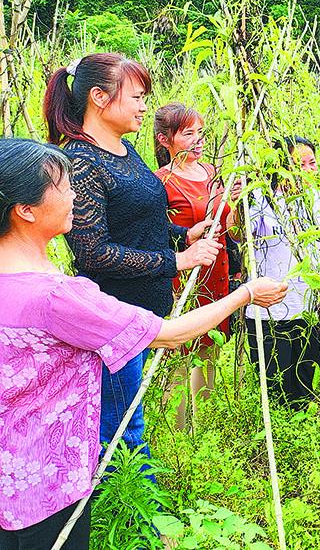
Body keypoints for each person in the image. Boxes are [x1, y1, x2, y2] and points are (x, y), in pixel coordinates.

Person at [0, 138, 287, 548]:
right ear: (26, 210)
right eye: (63, 188)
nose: (75, 195)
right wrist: (245, 294)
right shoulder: (58, 297)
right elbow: (170, 335)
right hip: (45, 485)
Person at [42, 53, 222, 462]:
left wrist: (182, 235)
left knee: (125, 416)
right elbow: (93, 252)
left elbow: (141, 222)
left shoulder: (125, 150)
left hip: (141, 312)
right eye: (137, 96)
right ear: (100, 97)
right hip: (110, 318)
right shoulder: (82, 162)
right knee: (122, 428)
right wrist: (175, 261)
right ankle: (138, 521)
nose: (144, 106)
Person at [245, 137, 320, 407]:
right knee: (273, 390)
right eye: (298, 164)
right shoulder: (260, 201)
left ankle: (302, 435)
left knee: (305, 386)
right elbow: (236, 236)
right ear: (281, 167)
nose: (307, 169)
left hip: (311, 311)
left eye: (311, 163)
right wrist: (238, 207)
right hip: (268, 313)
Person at [154, 102, 240, 428]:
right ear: (165, 140)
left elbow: (229, 227)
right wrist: (187, 239)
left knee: (209, 348)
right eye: (188, 134)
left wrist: (235, 199)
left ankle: (202, 427)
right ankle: (177, 430)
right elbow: (157, 234)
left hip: (216, 268)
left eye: (200, 133)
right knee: (180, 350)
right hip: (184, 275)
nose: (198, 140)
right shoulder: (160, 182)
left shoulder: (211, 173)